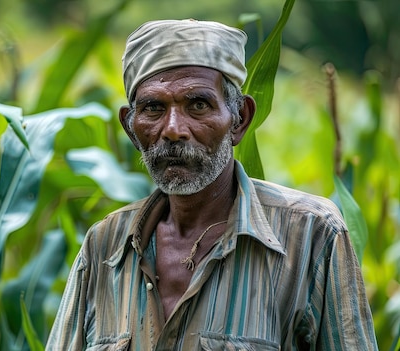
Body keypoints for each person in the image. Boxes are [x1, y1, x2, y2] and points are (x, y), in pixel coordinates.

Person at [45, 19, 378, 350]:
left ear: (239, 120)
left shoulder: (311, 236)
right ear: (132, 129)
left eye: (198, 105)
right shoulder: (104, 246)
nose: (173, 129)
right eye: (153, 108)